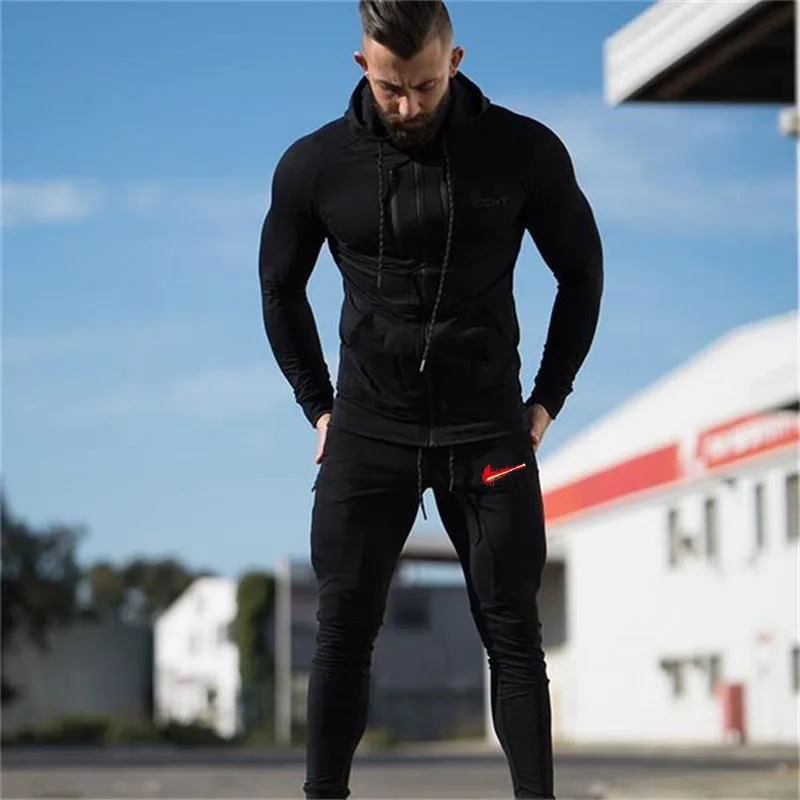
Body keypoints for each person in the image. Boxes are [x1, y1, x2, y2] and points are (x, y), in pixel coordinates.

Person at [259, 1, 603, 797]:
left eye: (423, 85)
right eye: (391, 89)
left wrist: (547, 398)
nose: (409, 106)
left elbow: (582, 273)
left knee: (513, 636)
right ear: (362, 67)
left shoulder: (522, 151)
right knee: (342, 633)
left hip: (485, 426)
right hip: (369, 427)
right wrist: (318, 405)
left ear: (454, 61)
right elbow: (279, 286)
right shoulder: (316, 164)